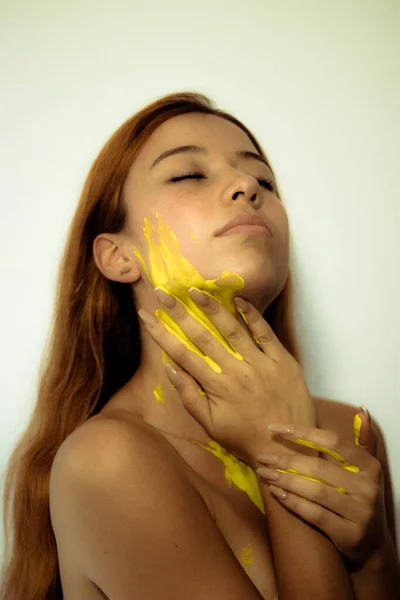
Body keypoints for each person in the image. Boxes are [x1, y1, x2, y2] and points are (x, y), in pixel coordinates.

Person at [1, 92, 398, 600]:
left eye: (265, 181)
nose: (246, 186)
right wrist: (283, 450)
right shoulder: (106, 463)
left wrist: (374, 557)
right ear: (118, 256)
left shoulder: (351, 436)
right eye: (188, 174)